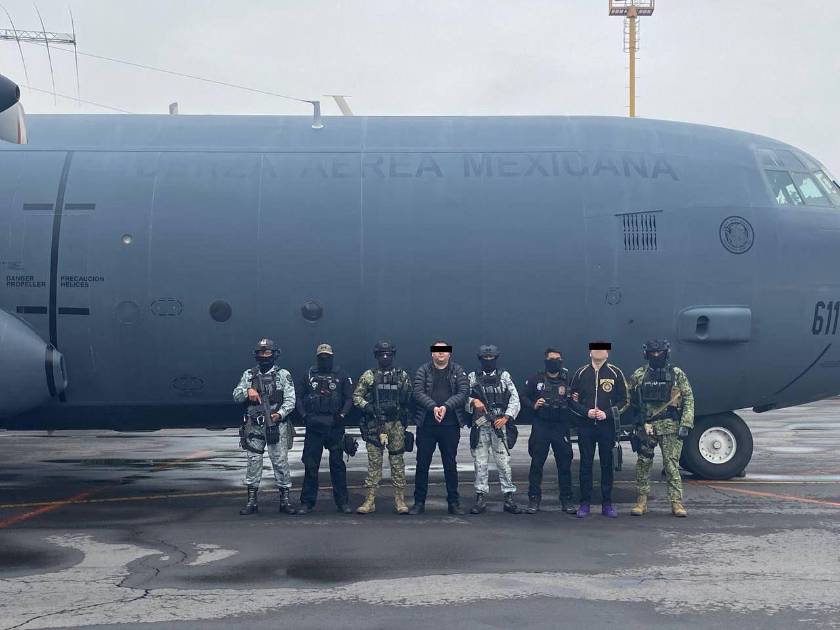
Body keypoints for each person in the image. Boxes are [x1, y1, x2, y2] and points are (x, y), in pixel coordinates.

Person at [628, 339, 695, 517]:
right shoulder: (640, 374)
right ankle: (641, 501)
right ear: (646, 354)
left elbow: (688, 398)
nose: (656, 356)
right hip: (647, 426)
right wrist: (636, 422)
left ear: (666, 353)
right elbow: (630, 400)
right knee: (643, 463)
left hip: (670, 426)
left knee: (671, 465)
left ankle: (676, 502)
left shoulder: (676, 374)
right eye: (652, 353)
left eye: (659, 353)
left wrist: (686, 423)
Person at [232, 338, 297, 515]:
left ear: (274, 355)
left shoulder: (283, 375)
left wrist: (279, 415)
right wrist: (247, 391)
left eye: (267, 352)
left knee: (280, 462)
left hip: (276, 424)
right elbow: (236, 395)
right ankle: (252, 501)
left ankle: (285, 501)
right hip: (254, 426)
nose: (264, 356)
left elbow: (290, 401)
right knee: (253, 462)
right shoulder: (249, 375)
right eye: (261, 353)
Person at [353, 340, 413, 515]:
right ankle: (369, 500)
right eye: (381, 355)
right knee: (374, 463)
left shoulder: (402, 376)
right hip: (375, 424)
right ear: (376, 356)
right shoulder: (369, 376)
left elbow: (409, 397)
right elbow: (357, 397)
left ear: (393, 356)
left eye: (388, 354)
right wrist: (369, 407)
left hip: (396, 425)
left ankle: (400, 500)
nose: (385, 357)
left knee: (397, 462)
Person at [409, 340, 469, 515]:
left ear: (449, 353)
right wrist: (433, 407)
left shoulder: (457, 370)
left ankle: (454, 503)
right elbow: (417, 392)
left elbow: (463, 393)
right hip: (426, 425)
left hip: (450, 425)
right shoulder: (423, 370)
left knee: (450, 464)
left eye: (444, 350)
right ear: (432, 353)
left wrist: (446, 407)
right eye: (437, 350)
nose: (440, 353)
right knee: (422, 464)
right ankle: (419, 502)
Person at [569, 341, 629, 518]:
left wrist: (607, 414)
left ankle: (607, 503)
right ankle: (585, 503)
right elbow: (571, 400)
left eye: (602, 348)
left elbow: (625, 400)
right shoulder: (581, 373)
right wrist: (586, 412)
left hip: (606, 427)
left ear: (607, 353)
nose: (598, 350)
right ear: (590, 353)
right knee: (585, 465)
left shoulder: (615, 373)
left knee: (607, 465)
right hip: (586, 427)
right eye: (595, 348)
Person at [296, 343, 354, 514]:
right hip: (314, 427)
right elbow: (298, 397)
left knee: (337, 465)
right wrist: (305, 416)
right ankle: (307, 503)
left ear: (332, 357)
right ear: (317, 358)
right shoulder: (308, 375)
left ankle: (342, 503)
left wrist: (342, 415)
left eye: (327, 357)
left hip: (334, 427)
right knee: (310, 465)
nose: (324, 359)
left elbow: (348, 398)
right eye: (321, 357)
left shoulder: (341, 375)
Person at [466, 344, 522, 515]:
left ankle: (508, 496)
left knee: (503, 463)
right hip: (481, 424)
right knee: (480, 462)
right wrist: (473, 401)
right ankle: (480, 496)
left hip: (499, 424)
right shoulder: (473, 377)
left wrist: (506, 417)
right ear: (480, 359)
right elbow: (463, 396)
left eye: (491, 358)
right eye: (485, 358)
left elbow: (515, 399)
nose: (488, 360)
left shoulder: (504, 376)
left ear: (496, 358)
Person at [521, 347, 577, 514]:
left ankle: (566, 500)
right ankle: (534, 499)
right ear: (546, 361)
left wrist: (575, 398)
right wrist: (533, 404)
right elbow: (522, 396)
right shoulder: (536, 379)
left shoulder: (568, 380)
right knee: (537, 464)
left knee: (564, 465)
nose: (555, 362)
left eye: (558, 360)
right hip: (542, 425)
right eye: (552, 359)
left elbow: (576, 399)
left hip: (561, 426)